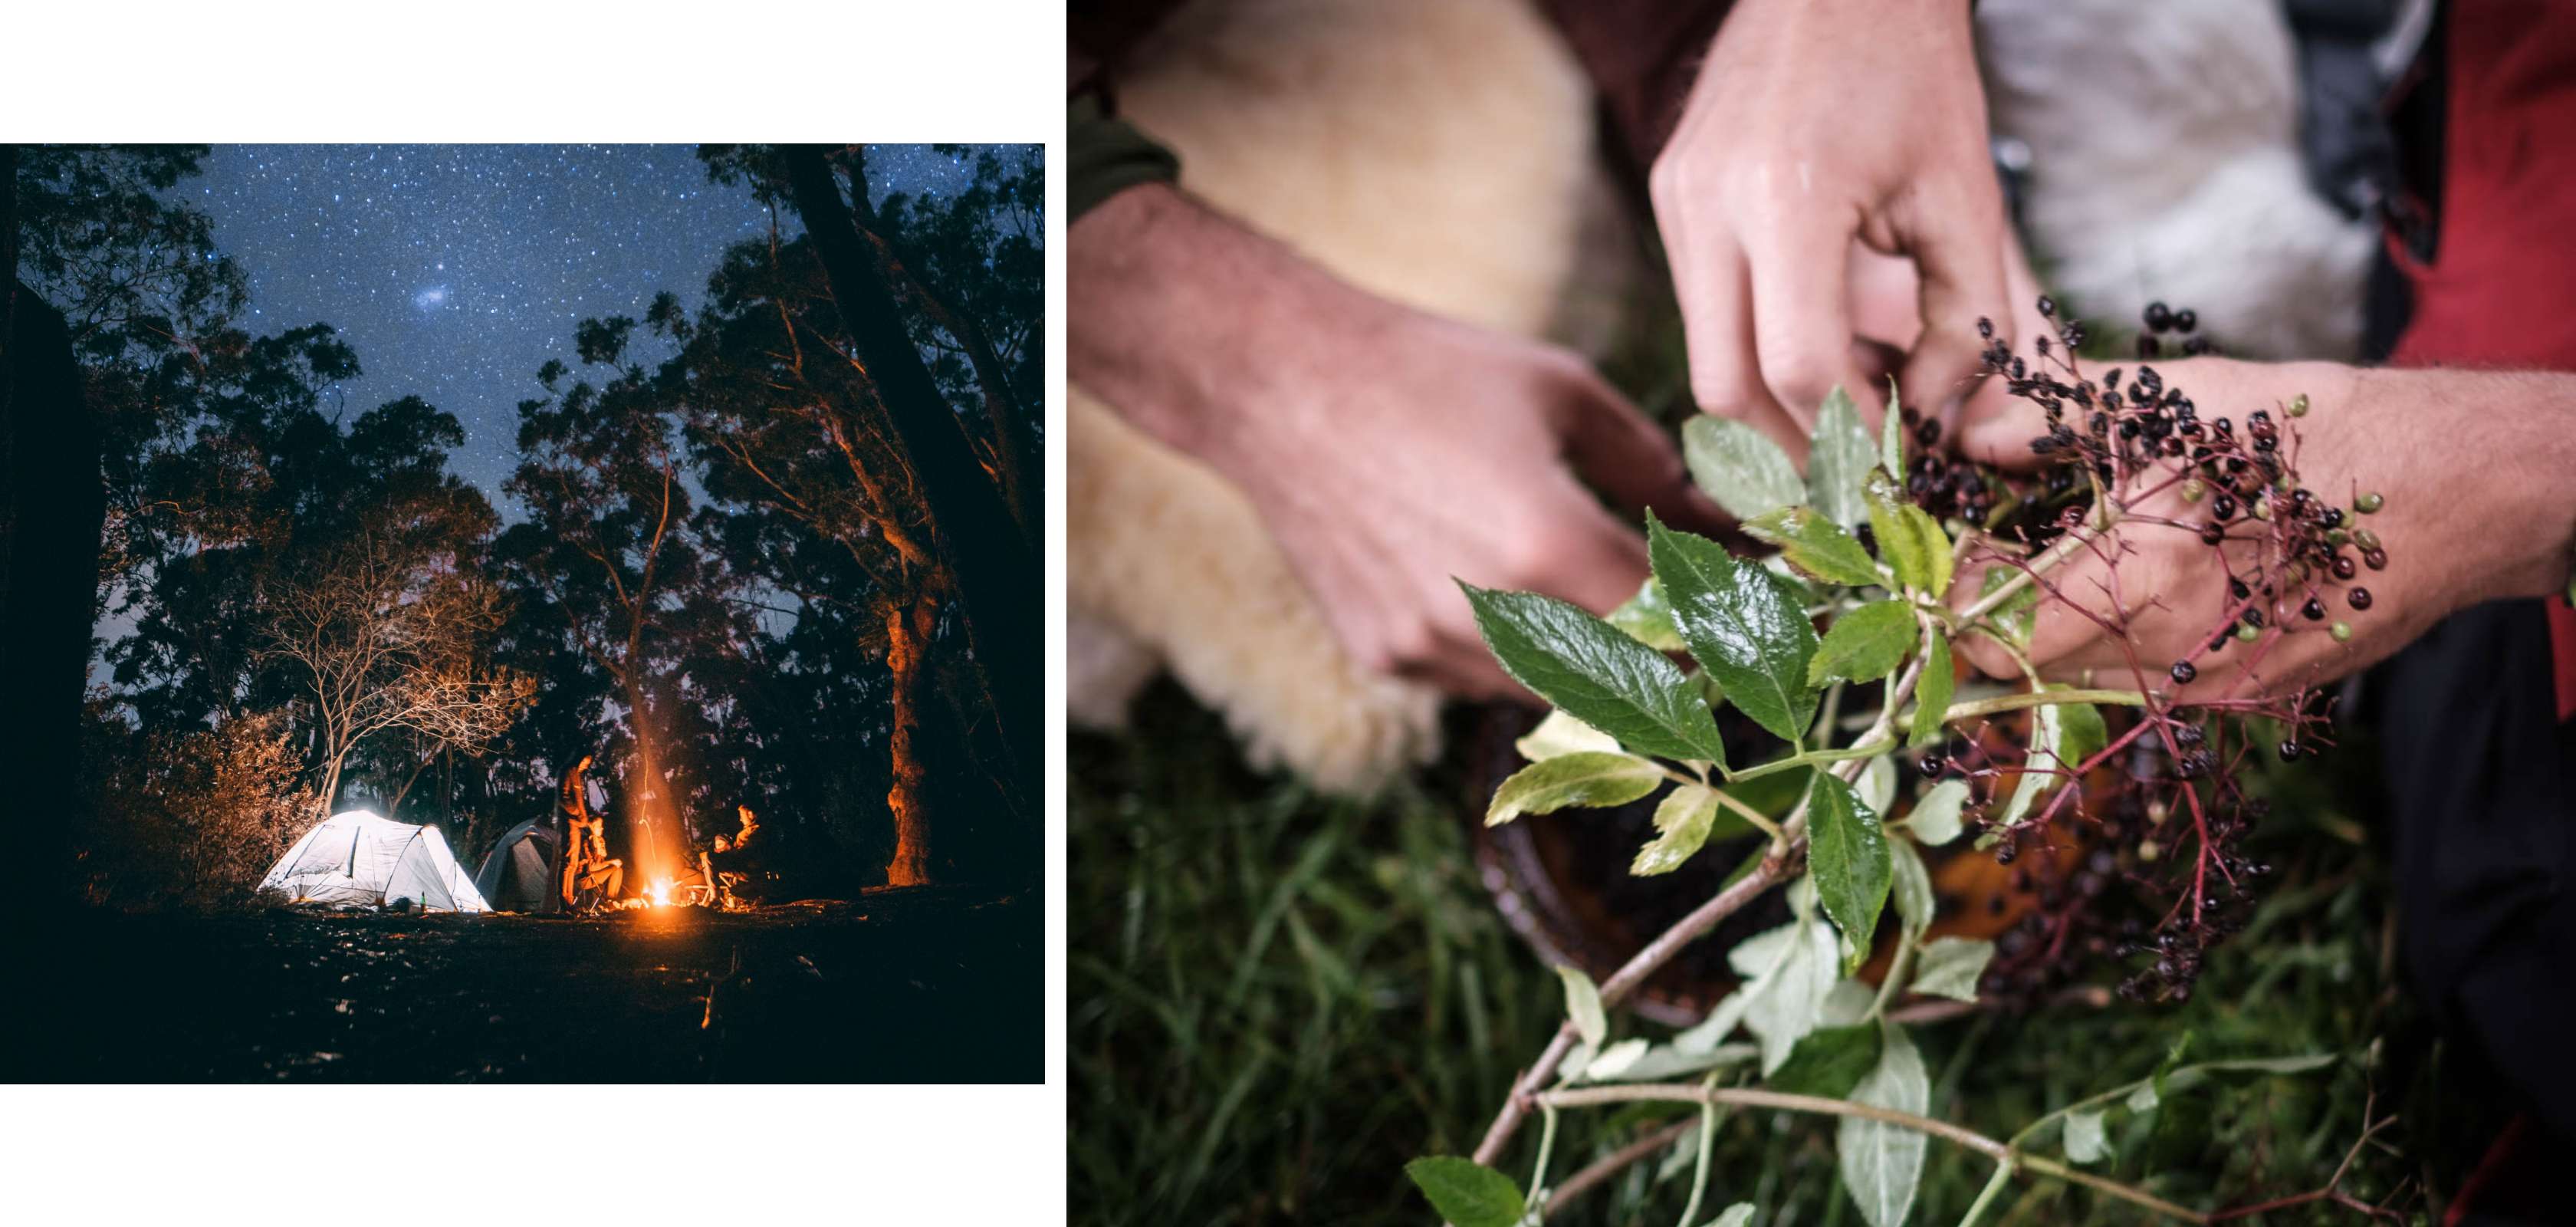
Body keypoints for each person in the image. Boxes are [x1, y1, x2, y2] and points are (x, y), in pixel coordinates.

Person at [556, 754, 624, 913]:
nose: (587, 765)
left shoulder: (576, 775)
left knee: (571, 864)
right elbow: (564, 797)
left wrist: (583, 816)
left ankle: (569, 902)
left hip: (577, 823)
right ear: (578, 757)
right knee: (568, 864)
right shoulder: (569, 772)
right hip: (572, 823)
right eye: (586, 761)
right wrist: (578, 814)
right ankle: (564, 902)